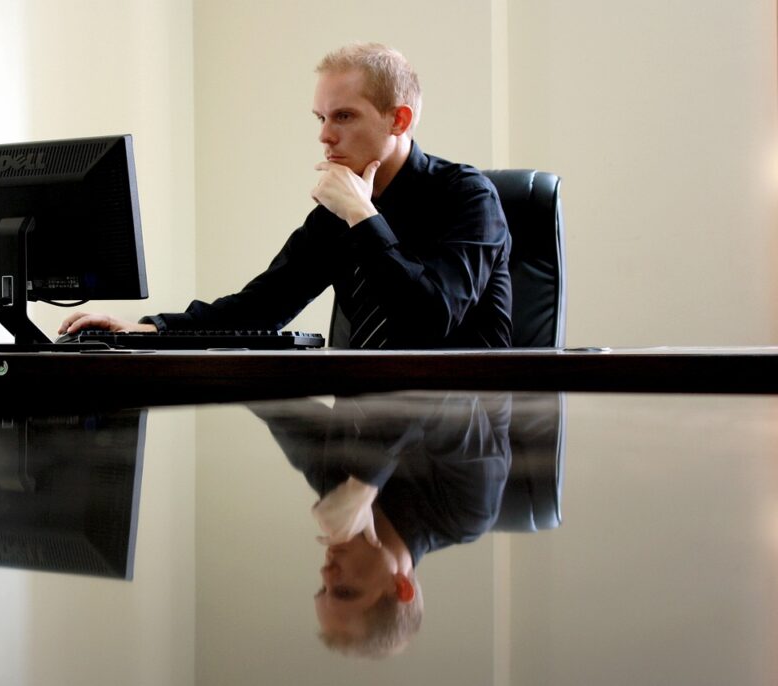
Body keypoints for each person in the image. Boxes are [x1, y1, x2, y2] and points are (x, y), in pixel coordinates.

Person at [61, 43, 512, 349]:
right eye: (320, 117)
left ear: (398, 120)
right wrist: (147, 329)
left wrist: (361, 214)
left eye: (344, 116)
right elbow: (260, 308)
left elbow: (430, 320)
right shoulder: (339, 211)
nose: (325, 136)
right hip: (365, 432)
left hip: (457, 440)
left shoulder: (468, 197)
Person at [250, 392, 512, 657]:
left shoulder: (334, 488)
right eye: (344, 591)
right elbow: (434, 389)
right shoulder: (466, 513)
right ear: (401, 586)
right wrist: (362, 485)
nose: (326, 573)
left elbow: (274, 402)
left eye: (322, 589)